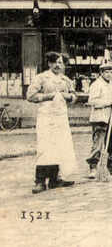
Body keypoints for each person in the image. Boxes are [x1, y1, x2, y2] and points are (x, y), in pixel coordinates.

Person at [26, 52, 78, 193]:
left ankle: (55, 179)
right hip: (46, 117)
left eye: (60, 62)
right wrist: (49, 96)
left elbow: (74, 96)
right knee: (45, 147)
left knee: (60, 146)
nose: (57, 65)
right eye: (54, 62)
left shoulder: (66, 80)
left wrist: (68, 96)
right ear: (49, 63)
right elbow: (30, 96)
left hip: (61, 116)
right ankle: (40, 181)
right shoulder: (41, 78)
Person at [86, 59, 112, 179]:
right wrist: (108, 102)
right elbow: (92, 101)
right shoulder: (96, 85)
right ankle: (93, 167)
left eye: (111, 72)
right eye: (106, 72)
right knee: (99, 142)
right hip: (100, 117)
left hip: (111, 117)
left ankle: (110, 165)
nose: (109, 74)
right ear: (101, 73)